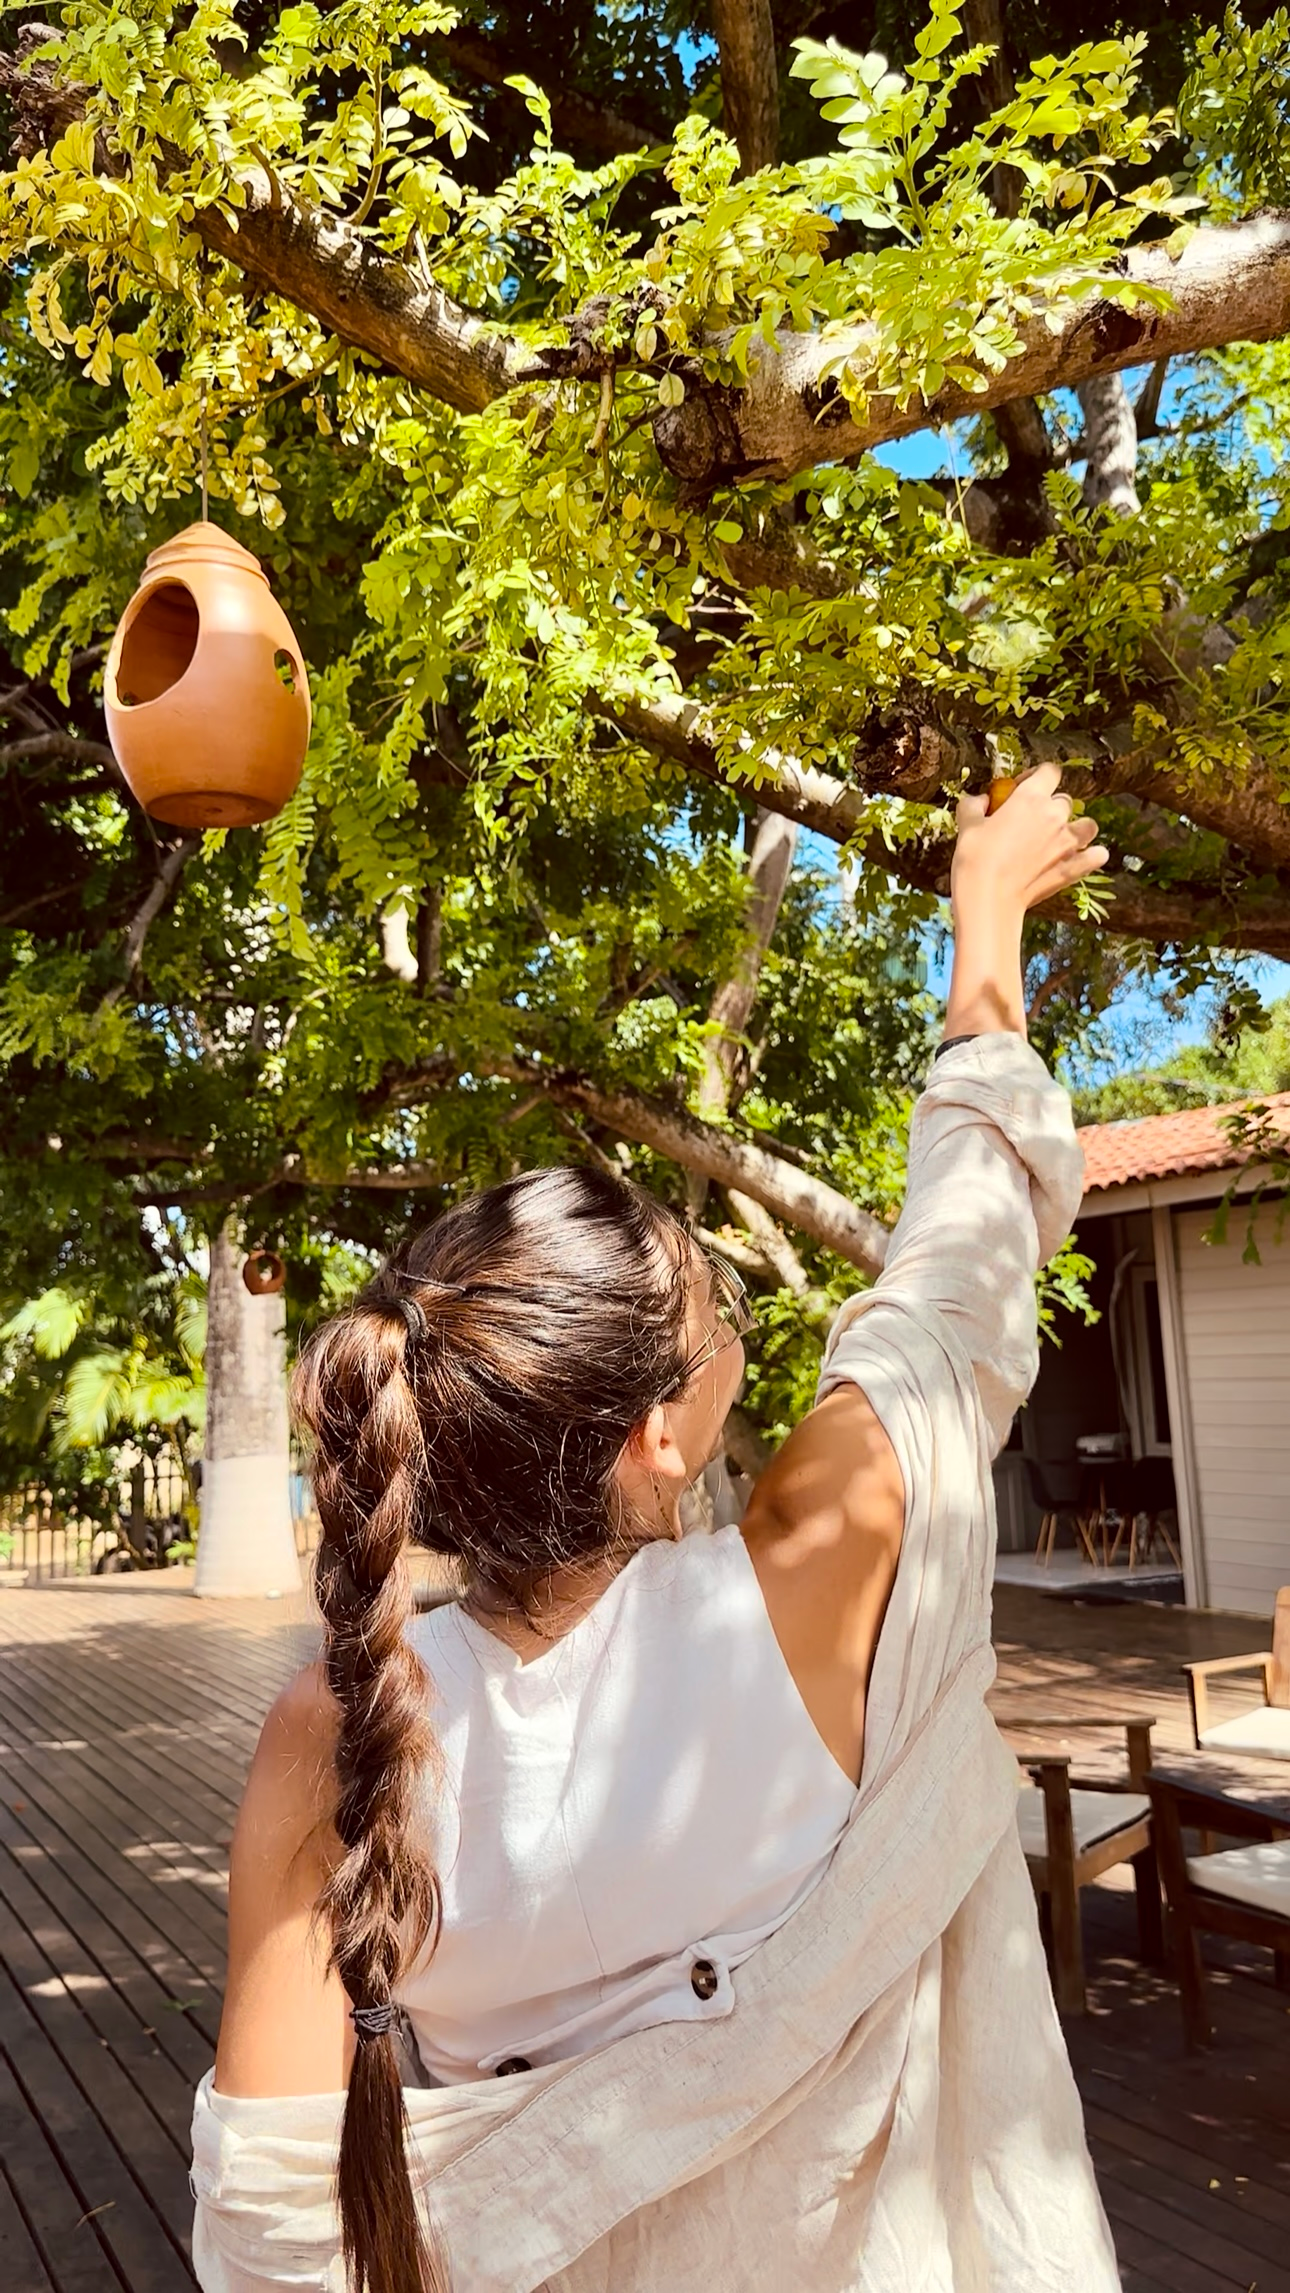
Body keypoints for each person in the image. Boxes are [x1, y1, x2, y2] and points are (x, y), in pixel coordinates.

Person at [192, 767, 1119, 2293]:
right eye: (718, 1315)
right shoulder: (814, 1574)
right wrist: (982, 927)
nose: (737, 1339)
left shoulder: (338, 1725)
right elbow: (957, 1263)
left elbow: (279, 2220)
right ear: (664, 1433)